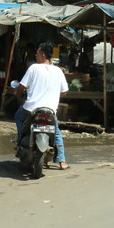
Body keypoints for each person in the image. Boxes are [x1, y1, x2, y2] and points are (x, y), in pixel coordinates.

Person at [14, 42, 69, 170]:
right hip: (50, 110)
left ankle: (20, 141)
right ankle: (62, 161)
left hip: (31, 109)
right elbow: (64, 92)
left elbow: (21, 86)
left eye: (37, 53)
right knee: (56, 132)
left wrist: (17, 94)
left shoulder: (33, 68)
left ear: (43, 55)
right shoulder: (58, 71)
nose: (35, 55)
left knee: (18, 116)